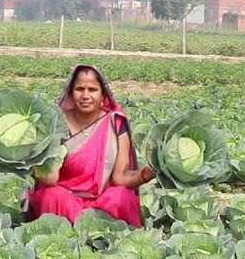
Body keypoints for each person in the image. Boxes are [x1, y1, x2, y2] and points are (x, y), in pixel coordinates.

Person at [26, 65, 155, 227]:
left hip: (102, 203)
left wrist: (148, 173)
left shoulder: (115, 123)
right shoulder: (56, 122)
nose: (85, 95)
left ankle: (108, 234)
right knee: (50, 195)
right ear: (71, 94)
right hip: (65, 201)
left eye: (92, 89)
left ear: (103, 95)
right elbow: (51, 179)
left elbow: (120, 177)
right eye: (80, 89)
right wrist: (32, 156)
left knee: (121, 196)